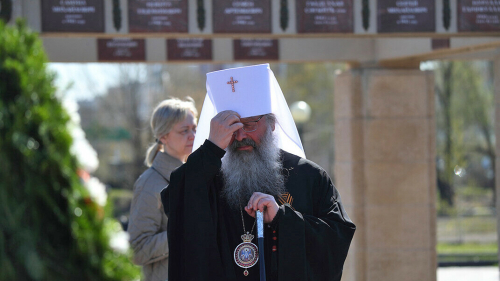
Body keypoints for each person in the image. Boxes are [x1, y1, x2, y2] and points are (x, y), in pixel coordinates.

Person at [161, 64, 355, 281]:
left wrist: (283, 218)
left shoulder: (308, 176)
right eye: (232, 127)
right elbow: (176, 201)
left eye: (250, 124)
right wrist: (210, 148)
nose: (241, 135)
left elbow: (336, 238)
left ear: (271, 123)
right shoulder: (207, 174)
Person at [128, 98, 197, 281]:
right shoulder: (149, 184)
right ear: (163, 136)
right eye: (184, 131)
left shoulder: (196, 176)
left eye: (194, 128)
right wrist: (186, 231)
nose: (193, 135)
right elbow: (137, 249)